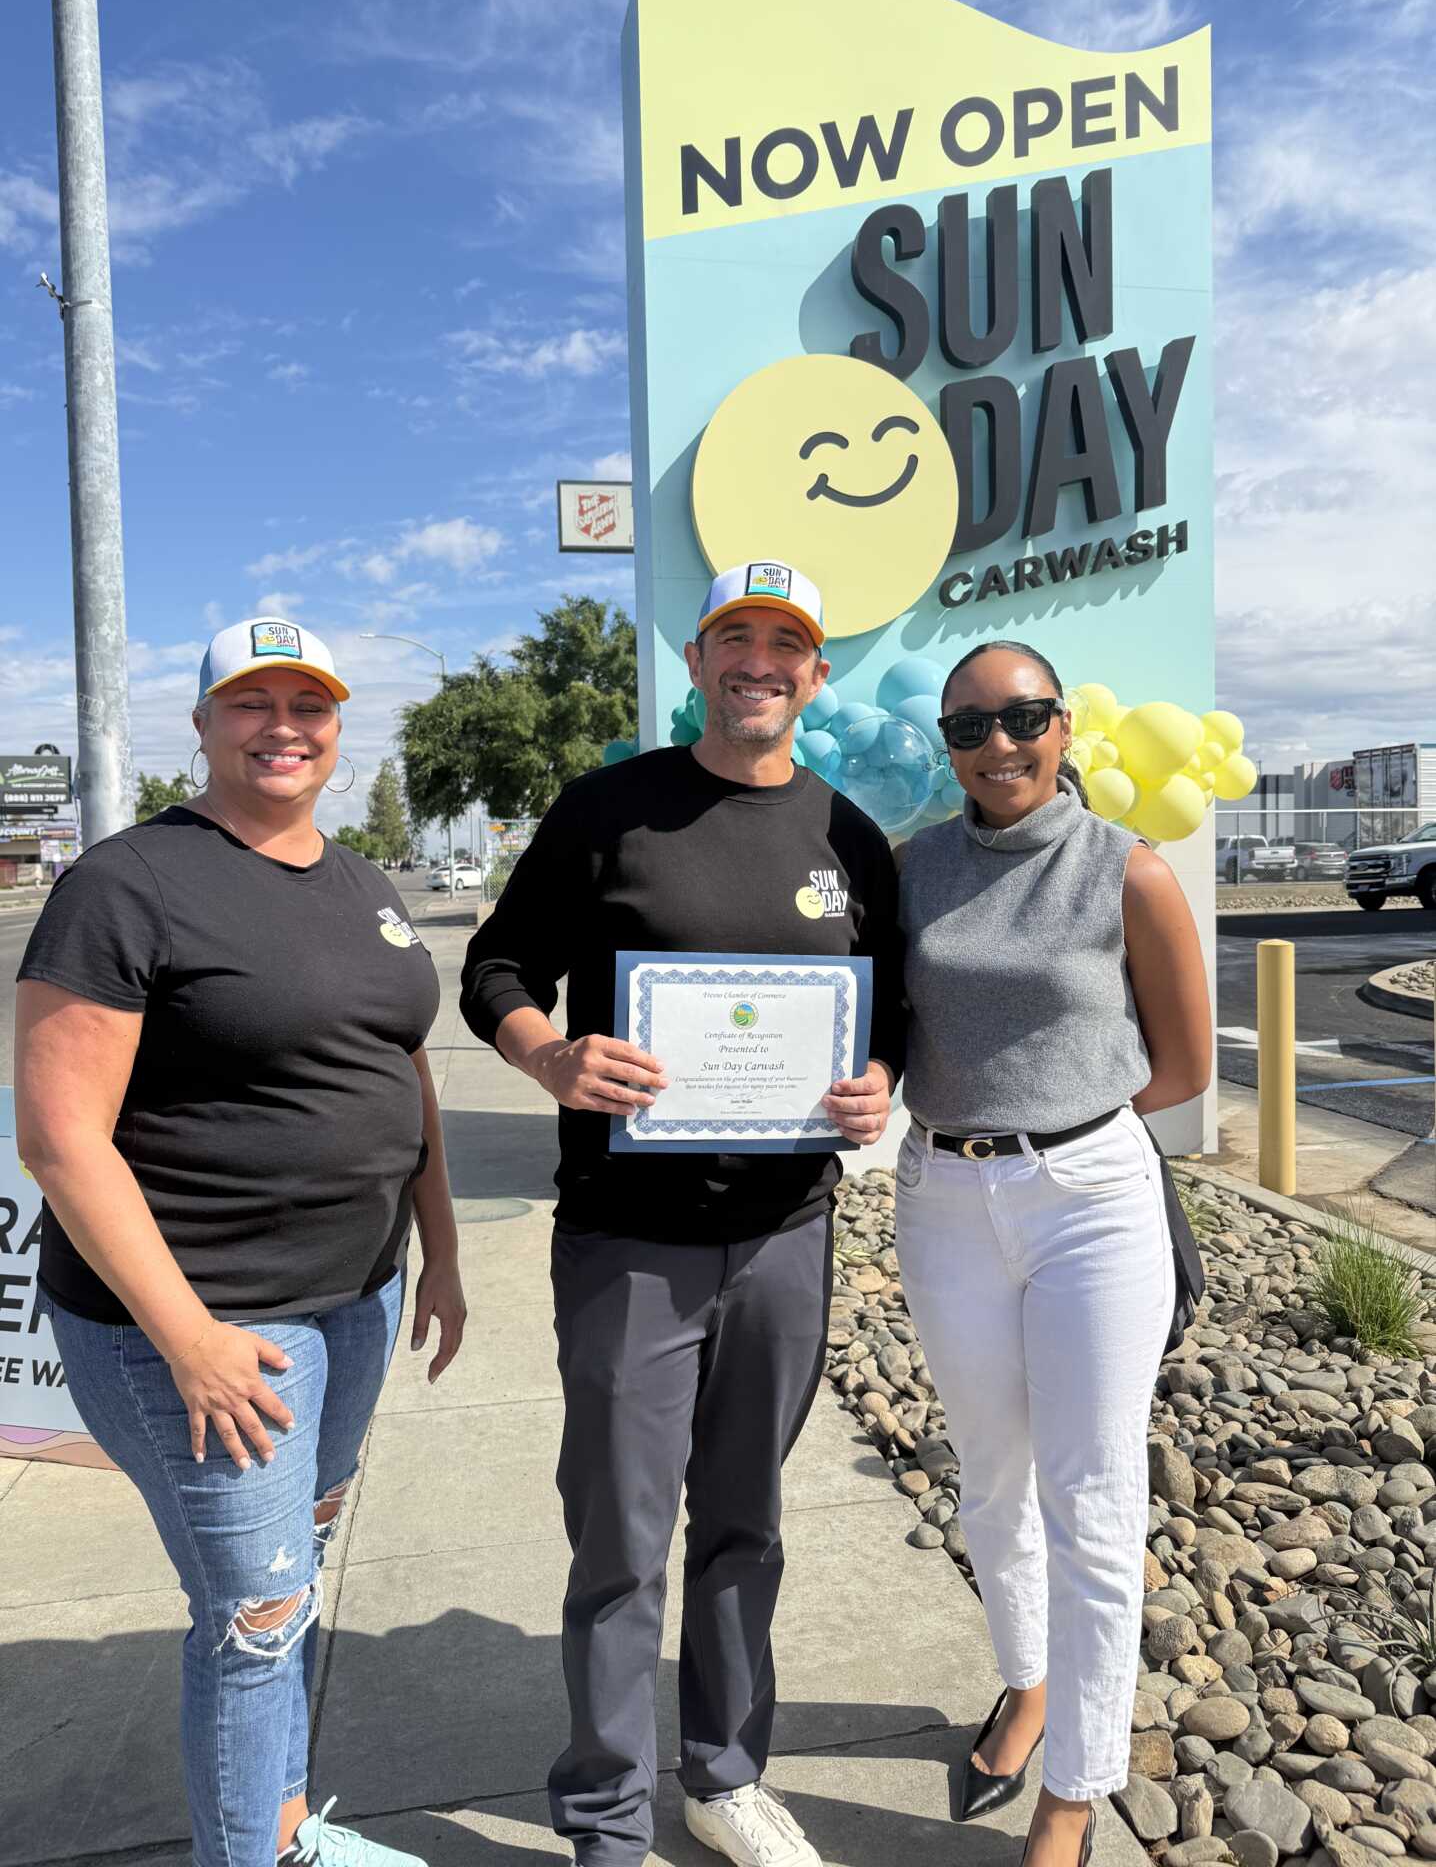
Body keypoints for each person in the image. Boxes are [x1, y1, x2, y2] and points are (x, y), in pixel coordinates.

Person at [461, 560, 905, 1867]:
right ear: (699, 660)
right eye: (735, 637)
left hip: (786, 1235)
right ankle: (605, 1819)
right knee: (620, 1539)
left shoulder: (849, 838)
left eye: (786, 642)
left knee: (744, 1524)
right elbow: (496, 966)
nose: (759, 661)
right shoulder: (609, 810)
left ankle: (723, 1776)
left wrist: (878, 1079)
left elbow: (893, 1009)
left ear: (816, 673)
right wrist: (549, 1054)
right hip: (627, 1243)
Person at [14, 618, 467, 1867]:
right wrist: (191, 1341)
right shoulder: (125, 885)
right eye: (252, 703)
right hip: (206, 1322)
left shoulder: (364, 883)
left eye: (307, 705)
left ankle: (282, 1829)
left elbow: (402, 1064)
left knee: (293, 1567)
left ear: (337, 727)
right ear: (203, 724)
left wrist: (437, 1246)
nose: (283, 728)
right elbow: (60, 1141)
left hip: (354, 1301)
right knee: (256, 1616)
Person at [894, 641, 1210, 1867]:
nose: (998, 745)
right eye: (968, 727)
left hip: (1088, 1201)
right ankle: (1024, 1685)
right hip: (942, 1195)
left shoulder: (1128, 871)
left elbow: (1179, 1067)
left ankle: (1072, 1794)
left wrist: (1060, 1126)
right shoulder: (914, 869)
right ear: (946, 745)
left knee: (1090, 1497)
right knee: (988, 1475)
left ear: (1063, 726)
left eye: (1022, 718)